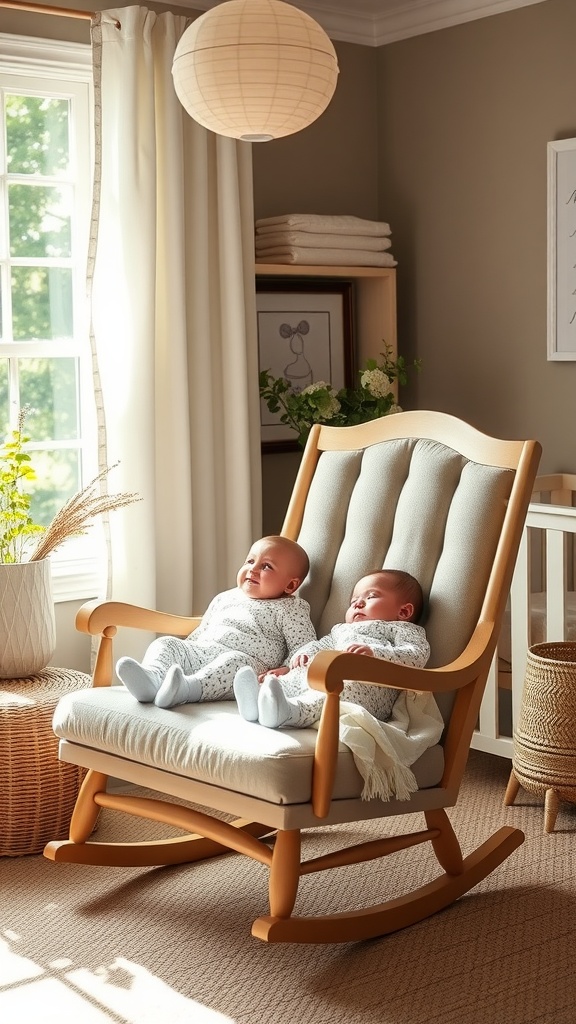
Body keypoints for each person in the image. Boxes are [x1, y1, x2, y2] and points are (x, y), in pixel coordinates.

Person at [116, 535, 316, 708]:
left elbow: (304, 646)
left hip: (247, 663)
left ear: (290, 585)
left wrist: (287, 668)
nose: (252, 570)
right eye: (250, 561)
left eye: (266, 567)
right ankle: (152, 679)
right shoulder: (226, 597)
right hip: (202, 651)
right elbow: (202, 630)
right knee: (166, 643)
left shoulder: (290, 608)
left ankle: (187, 689)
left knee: (235, 663)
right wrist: (184, 651)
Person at [233, 568, 430, 729]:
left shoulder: (402, 629)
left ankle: (287, 713)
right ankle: (257, 701)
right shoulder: (342, 630)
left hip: (365, 688)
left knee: (326, 695)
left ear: (404, 611)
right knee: (290, 681)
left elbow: (417, 655)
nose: (358, 603)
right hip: (326, 675)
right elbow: (321, 645)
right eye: (353, 601)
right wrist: (302, 656)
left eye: (371, 597)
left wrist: (376, 654)